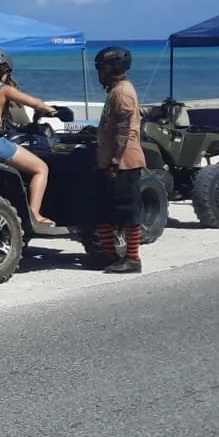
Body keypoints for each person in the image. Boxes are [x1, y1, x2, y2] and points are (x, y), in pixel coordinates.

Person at [0, 48, 62, 231]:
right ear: (5, 71)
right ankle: (35, 213)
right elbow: (33, 102)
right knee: (41, 168)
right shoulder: (3, 90)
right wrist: (50, 110)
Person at [92, 45, 147, 274]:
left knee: (127, 211)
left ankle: (132, 259)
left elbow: (124, 130)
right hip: (110, 160)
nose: (100, 72)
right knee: (105, 211)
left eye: (103, 67)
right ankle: (110, 255)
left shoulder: (122, 92)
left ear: (115, 67)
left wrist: (115, 161)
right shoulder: (114, 91)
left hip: (124, 162)